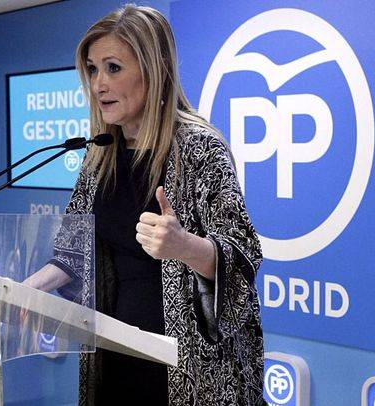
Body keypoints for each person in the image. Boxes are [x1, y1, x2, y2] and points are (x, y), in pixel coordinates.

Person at [24, 4, 265, 405]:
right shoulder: (100, 152)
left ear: (155, 70)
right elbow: (74, 253)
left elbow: (242, 258)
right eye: (93, 69)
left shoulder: (200, 149)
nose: (99, 84)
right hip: (114, 356)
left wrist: (184, 245)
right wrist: (27, 290)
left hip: (188, 370)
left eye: (113, 68)